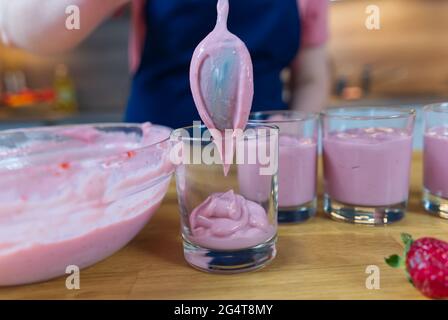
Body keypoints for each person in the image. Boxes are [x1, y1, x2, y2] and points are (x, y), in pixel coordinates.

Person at [0, 0, 329, 129]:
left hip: (264, 158)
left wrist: (296, 129)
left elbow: (312, 76)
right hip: (158, 157)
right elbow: (25, 29)